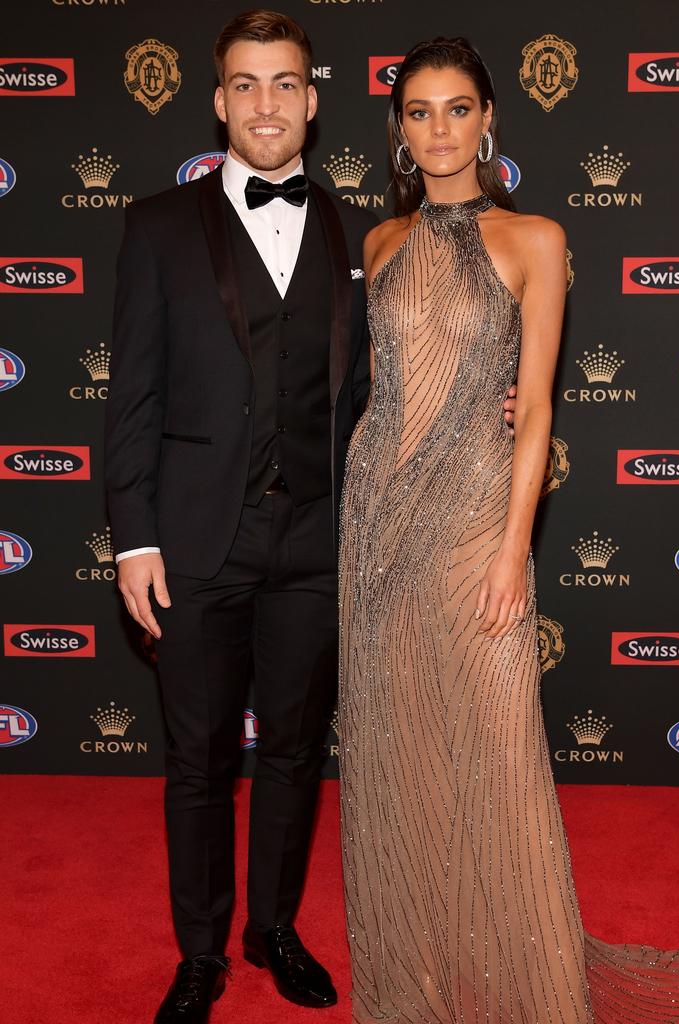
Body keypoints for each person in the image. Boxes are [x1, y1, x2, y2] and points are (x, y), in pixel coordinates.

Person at [338, 37, 679, 1024]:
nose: (439, 128)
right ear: (400, 130)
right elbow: (382, 394)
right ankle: (421, 968)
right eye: (420, 111)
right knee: (397, 752)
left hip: (478, 516)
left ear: (489, 118)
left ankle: (518, 969)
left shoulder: (538, 239)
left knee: (492, 745)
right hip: (378, 518)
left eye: (457, 108)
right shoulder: (379, 247)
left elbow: (542, 407)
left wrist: (517, 546)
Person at [105, 10, 378, 1022]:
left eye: (288, 83)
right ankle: (202, 951)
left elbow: (372, 391)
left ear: (312, 99)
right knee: (199, 759)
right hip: (192, 539)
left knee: (297, 750)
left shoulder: (357, 227)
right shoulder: (155, 225)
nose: (269, 103)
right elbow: (129, 394)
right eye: (248, 84)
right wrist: (133, 536)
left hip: (316, 538)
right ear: (219, 101)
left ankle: (272, 927)